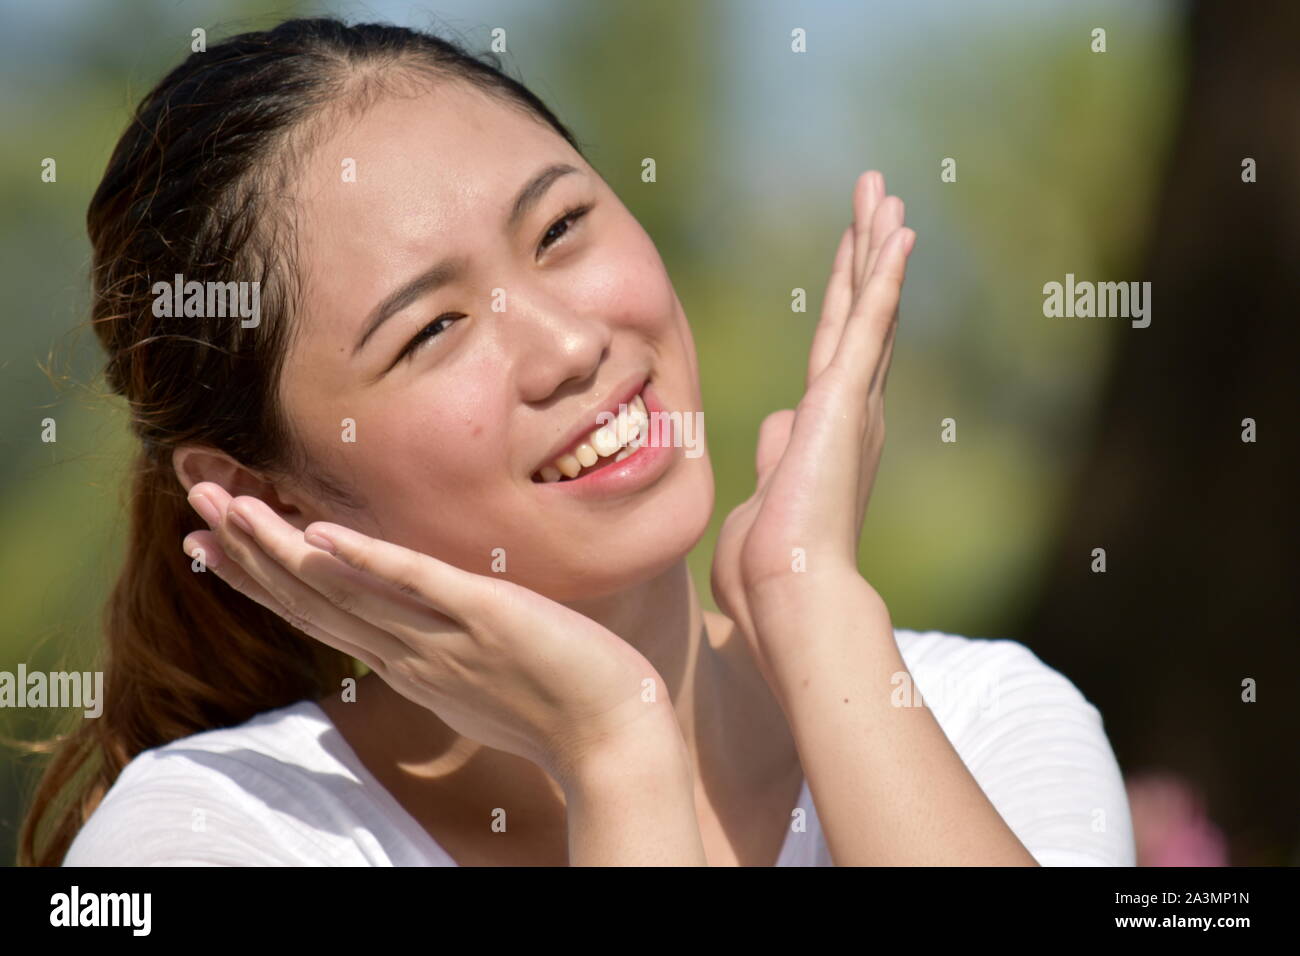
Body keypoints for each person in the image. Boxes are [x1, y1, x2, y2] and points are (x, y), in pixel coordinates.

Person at [23, 17, 1134, 866]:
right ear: (262, 496)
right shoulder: (218, 834)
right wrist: (615, 753)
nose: (565, 342)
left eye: (559, 227)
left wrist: (815, 607)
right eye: (433, 329)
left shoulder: (980, 718)